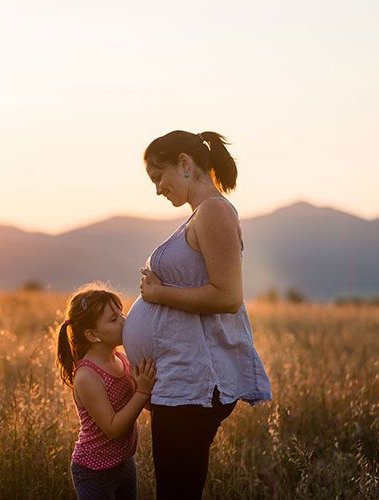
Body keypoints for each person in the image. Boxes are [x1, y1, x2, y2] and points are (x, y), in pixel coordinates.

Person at [122, 130, 272, 499]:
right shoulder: (200, 215)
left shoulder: (215, 211)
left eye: (159, 176)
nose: (158, 188)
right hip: (179, 381)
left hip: (195, 385)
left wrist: (159, 293)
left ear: (185, 164)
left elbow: (228, 297)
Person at [57, 283, 156, 500]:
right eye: (113, 319)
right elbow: (113, 428)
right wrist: (142, 392)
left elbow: (142, 400)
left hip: (124, 462)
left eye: (121, 314)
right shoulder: (87, 376)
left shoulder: (120, 357)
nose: (124, 321)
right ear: (92, 335)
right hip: (94, 471)